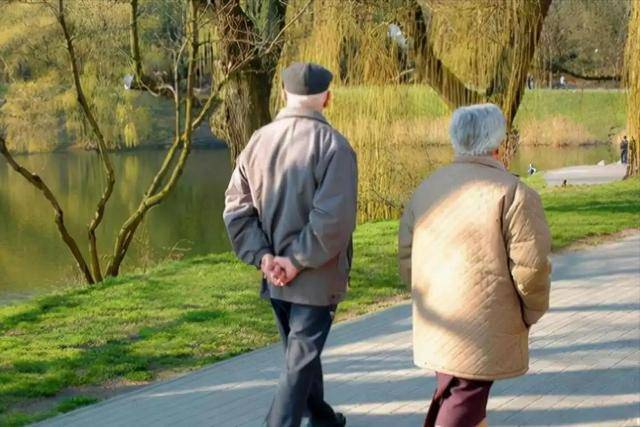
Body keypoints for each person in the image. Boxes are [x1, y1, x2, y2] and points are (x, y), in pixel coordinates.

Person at [398, 104, 552, 427]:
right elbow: (532, 268)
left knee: (458, 392)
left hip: (436, 316)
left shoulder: (428, 187)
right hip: (483, 321)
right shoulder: (514, 193)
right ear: (498, 143)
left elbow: (407, 255)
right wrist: (531, 311)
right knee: (463, 398)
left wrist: (423, 297)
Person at [223, 62, 357, 427]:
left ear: (283, 94)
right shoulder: (334, 146)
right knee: (299, 363)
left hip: (275, 277)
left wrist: (264, 258)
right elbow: (333, 220)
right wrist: (295, 262)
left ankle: (323, 421)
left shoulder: (257, 141)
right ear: (327, 98)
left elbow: (236, 209)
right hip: (315, 278)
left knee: (299, 358)